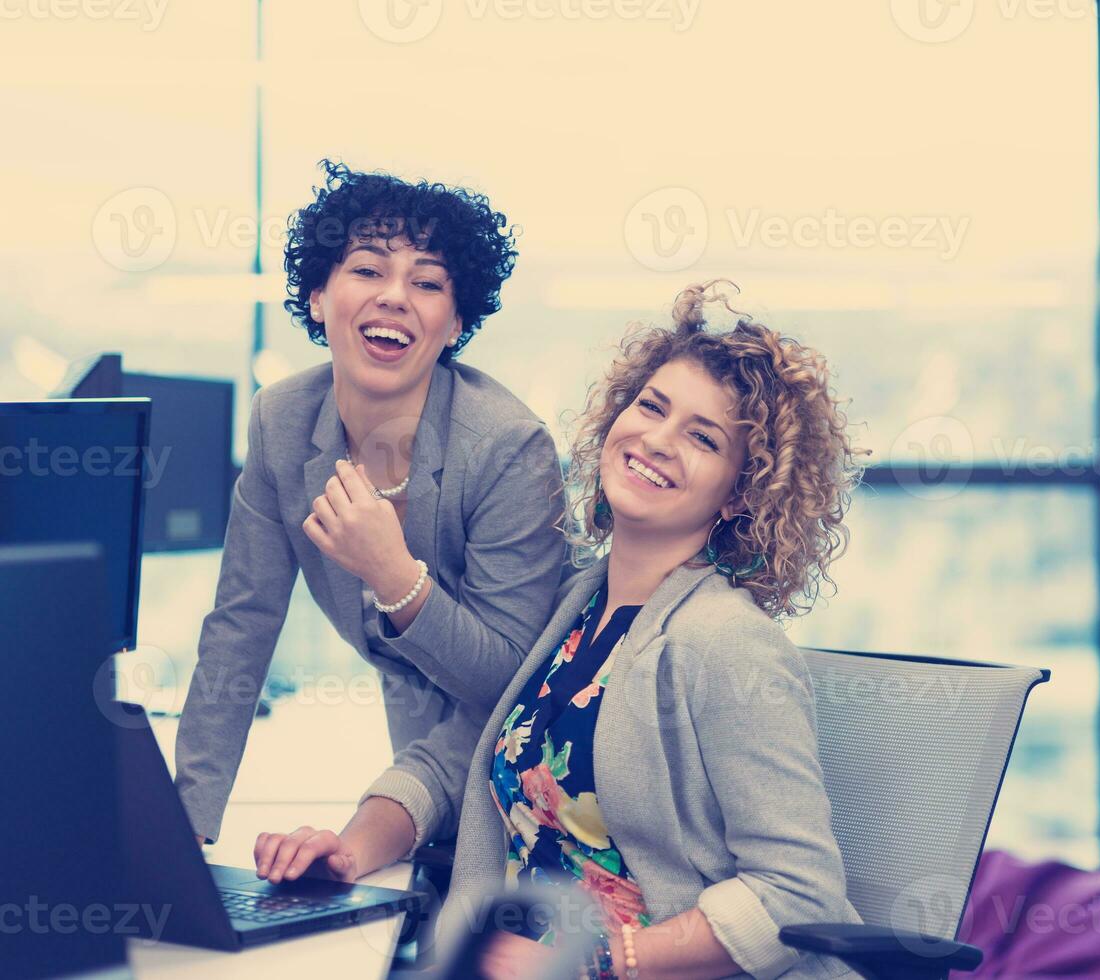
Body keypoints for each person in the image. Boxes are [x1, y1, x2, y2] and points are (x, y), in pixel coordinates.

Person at [253, 282, 862, 979]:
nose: (657, 440)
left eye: (701, 437)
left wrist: (607, 958)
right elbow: (457, 757)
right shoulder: (576, 602)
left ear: (741, 494)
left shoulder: (726, 642)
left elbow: (797, 895)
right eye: (651, 407)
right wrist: (351, 850)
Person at [174, 160, 566, 859]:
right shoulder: (283, 421)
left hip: (533, 755)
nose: (394, 297)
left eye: (426, 283)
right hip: (417, 755)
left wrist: (396, 578)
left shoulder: (508, 448)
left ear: (456, 324)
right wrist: (183, 828)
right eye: (367, 271)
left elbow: (511, 676)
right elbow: (242, 624)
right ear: (319, 297)